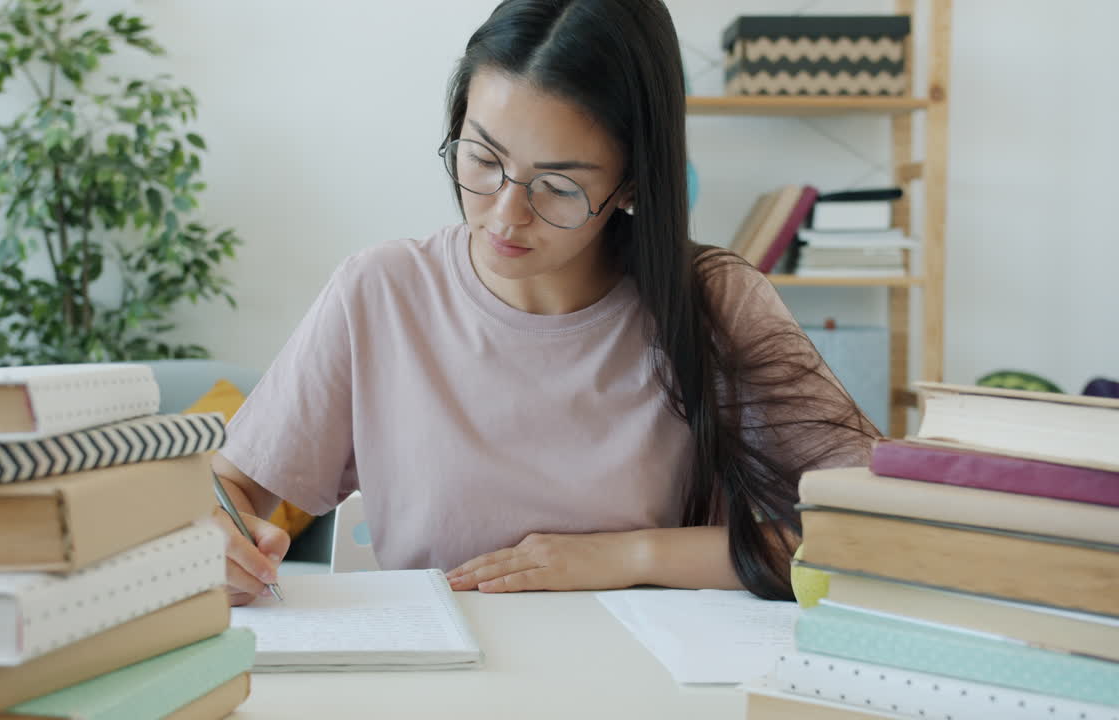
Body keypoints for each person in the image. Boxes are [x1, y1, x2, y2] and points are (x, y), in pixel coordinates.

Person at [211, 0, 876, 607]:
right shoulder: (379, 293)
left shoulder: (713, 303)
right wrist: (218, 539)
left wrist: (630, 555)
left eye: (558, 186)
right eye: (481, 158)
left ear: (631, 185)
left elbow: (877, 530)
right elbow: (229, 487)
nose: (504, 215)